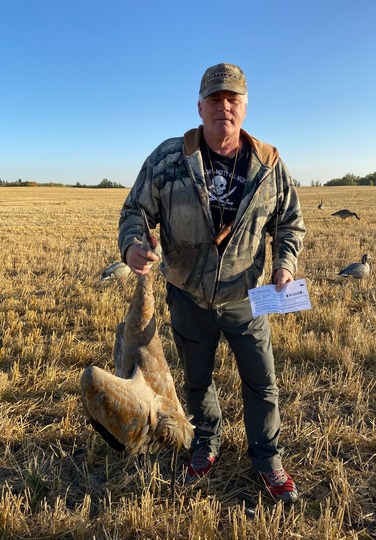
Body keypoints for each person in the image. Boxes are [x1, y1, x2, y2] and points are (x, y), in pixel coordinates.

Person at [118, 63, 306, 503]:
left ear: (244, 106)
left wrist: (285, 265)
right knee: (198, 379)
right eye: (215, 99)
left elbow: (290, 224)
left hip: (248, 297)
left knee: (261, 381)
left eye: (233, 98)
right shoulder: (168, 158)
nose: (224, 106)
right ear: (200, 106)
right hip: (187, 294)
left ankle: (267, 458)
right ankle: (206, 442)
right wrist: (131, 246)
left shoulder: (268, 162)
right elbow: (135, 212)